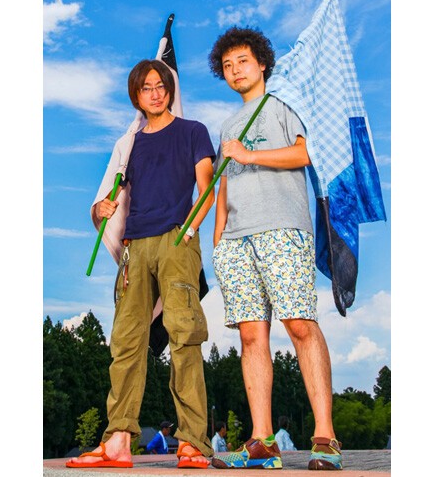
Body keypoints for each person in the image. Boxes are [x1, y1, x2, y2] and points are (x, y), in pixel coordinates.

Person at [66, 59, 215, 469]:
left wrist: (189, 231)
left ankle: (192, 442)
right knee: (126, 341)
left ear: (170, 90)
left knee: (184, 335)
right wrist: (101, 207)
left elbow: (206, 187)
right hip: (135, 246)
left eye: (161, 85)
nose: (155, 93)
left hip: (176, 240)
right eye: (146, 87)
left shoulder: (193, 131)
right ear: (136, 96)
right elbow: (111, 197)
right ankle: (118, 441)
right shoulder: (130, 145)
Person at [208, 27, 343, 471]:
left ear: (262, 63)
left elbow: (306, 154)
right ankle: (262, 441)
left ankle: (325, 436)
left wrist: (249, 155)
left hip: (283, 228)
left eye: (242, 61)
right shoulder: (228, 125)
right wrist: (218, 242)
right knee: (251, 336)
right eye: (227, 66)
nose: (235, 71)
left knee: (300, 324)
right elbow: (223, 186)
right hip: (236, 241)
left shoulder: (284, 105)